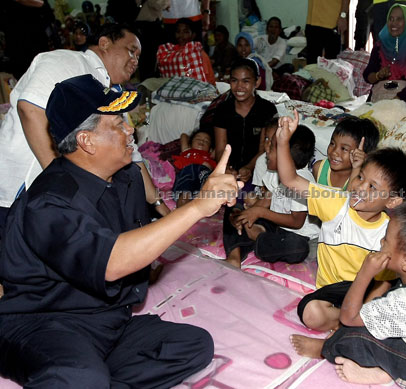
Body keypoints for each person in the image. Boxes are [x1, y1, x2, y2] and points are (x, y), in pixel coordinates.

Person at [0, 74, 241, 387]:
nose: (131, 129)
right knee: (81, 378)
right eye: (117, 123)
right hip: (43, 323)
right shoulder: (49, 203)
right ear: (86, 141)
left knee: (193, 346)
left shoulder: (127, 177)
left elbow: (138, 244)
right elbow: (112, 262)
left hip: (107, 319)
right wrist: (197, 207)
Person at [0, 23, 170, 231]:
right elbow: (30, 110)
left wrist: (159, 205)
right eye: (131, 51)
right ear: (104, 43)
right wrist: (65, 185)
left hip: (60, 200)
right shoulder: (68, 61)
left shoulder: (112, 94)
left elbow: (132, 153)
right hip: (22, 191)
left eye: (139, 57)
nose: (135, 60)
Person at [289, 202, 406, 386]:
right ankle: (384, 371)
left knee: (356, 335)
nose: (381, 243)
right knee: (374, 318)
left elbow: (348, 318)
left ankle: (324, 349)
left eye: (386, 240)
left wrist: (365, 273)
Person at [277, 110, 406, 332]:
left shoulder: (389, 232)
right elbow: (290, 179)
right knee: (310, 312)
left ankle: (357, 321)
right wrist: (283, 141)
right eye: (360, 177)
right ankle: (350, 322)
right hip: (333, 291)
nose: (360, 187)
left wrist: (369, 307)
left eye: (372, 187)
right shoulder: (336, 203)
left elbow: (385, 282)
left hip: (365, 292)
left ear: (392, 201)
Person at [224, 120, 320, 267]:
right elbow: (267, 200)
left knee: (297, 248)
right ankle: (234, 255)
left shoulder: (302, 181)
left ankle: (256, 237)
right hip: (275, 226)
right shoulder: (273, 173)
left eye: (272, 146)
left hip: (299, 234)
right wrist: (246, 215)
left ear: (286, 155)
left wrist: (260, 213)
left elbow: (296, 222)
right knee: (232, 206)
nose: (266, 148)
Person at [213, 58, 276, 182]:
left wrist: (249, 168)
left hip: (259, 170)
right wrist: (226, 167)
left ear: (257, 82)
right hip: (228, 170)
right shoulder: (223, 109)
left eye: (245, 81)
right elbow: (220, 149)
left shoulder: (267, 109)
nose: (239, 87)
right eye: (234, 81)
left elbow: (264, 149)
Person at [363, 3, 406, 107]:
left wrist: (393, 103)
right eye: (391, 19)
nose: (393, 23)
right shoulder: (379, 46)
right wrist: (378, 75)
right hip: (379, 99)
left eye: (399, 19)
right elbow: (367, 75)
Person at [312, 116, 380, 190]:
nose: (334, 152)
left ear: (362, 155)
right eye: (332, 143)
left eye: (344, 149)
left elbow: (348, 200)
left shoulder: (363, 181)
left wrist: (356, 168)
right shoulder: (319, 168)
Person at [156, 17, 215, 83]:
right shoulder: (169, 53)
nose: (181, 35)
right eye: (178, 31)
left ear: (193, 35)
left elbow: (208, 79)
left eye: (185, 32)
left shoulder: (198, 53)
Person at [172, 129, 217, 208]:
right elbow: (183, 135)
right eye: (198, 139)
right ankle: (184, 200)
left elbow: (221, 148)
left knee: (209, 176)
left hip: (204, 176)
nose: (202, 141)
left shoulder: (210, 157)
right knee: (190, 170)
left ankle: (206, 197)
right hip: (188, 175)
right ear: (190, 144)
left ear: (210, 150)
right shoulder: (187, 151)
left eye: (206, 141)